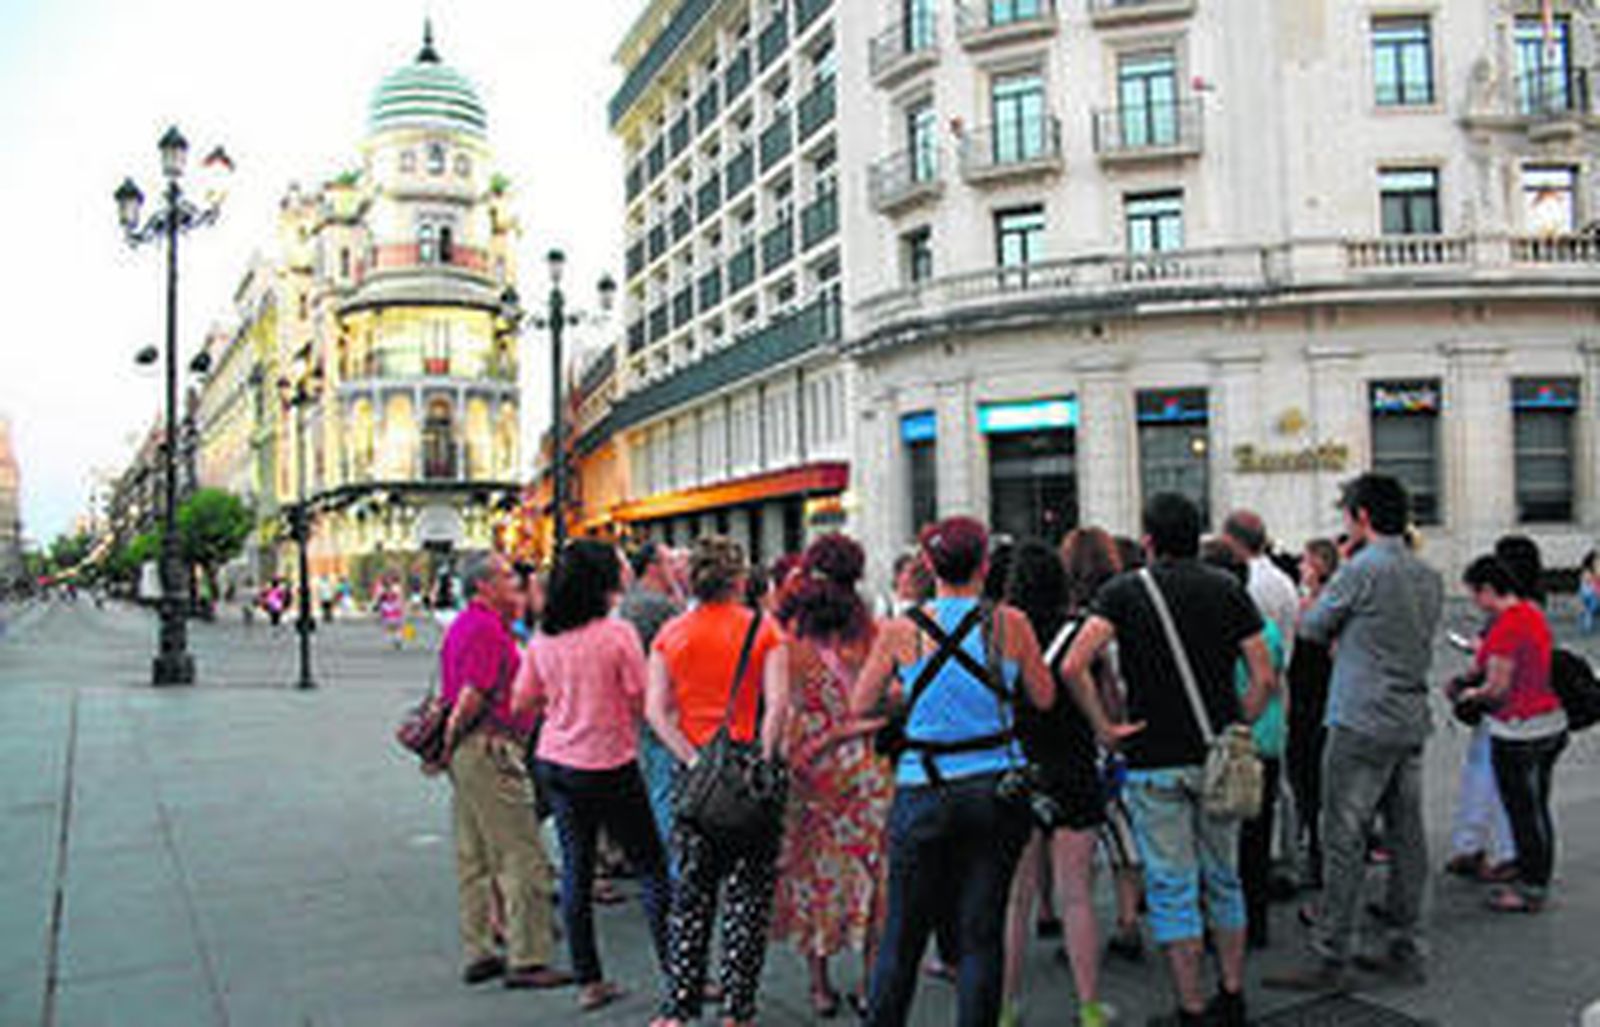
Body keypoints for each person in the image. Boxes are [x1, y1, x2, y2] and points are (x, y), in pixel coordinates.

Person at [1062, 494, 1275, 1027]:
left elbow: (1073, 664)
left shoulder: (1124, 592)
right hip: (1217, 753)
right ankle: (1232, 990)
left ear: (1150, 541)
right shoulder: (1227, 588)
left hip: (1154, 756)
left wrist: (1105, 728)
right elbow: (1266, 675)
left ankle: (1190, 1004)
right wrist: (1240, 723)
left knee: (1172, 885)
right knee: (1224, 877)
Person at [851, 516, 1055, 1027]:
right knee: (980, 934)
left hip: (924, 786)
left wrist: (909, 696)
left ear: (927, 566)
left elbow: (860, 704)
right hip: (996, 788)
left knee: (902, 934)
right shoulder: (1012, 624)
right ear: (986, 565)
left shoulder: (901, 631)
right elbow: (1044, 697)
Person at [1266, 473, 1443, 994]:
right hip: (1409, 717)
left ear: (1362, 517)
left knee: (1343, 835)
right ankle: (1406, 945)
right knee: (1407, 836)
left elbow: (1315, 626)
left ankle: (1332, 952)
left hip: (1360, 716)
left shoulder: (1360, 570)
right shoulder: (1426, 574)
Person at [512, 541, 670, 1010]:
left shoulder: (544, 637)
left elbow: (523, 700)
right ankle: (679, 972)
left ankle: (589, 980)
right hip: (610, 759)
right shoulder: (616, 635)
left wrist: (563, 705)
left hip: (558, 760)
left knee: (577, 869)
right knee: (651, 869)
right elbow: (641, 697)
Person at [647, 536, 790, 1027]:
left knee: (691, 893)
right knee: (748, 897)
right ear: (739, 579)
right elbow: (777, 708)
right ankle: (737, 1010)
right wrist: (764, 759)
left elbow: (656, 710)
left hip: (695, 780)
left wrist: (690, 758)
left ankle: (679, 1006)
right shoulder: (765, 630)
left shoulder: (671, 633)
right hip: (749, 774)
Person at [432, 552, 568, 990]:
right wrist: (450, 741)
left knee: (473, 855)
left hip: (471, 753)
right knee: (520, 852)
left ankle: (479, 949)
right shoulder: (489, 629)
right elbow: (473, 694)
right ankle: (528, 956)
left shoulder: (464, 626)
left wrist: (447, 750)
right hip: (491, 748)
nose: (517, 586)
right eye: (508, 578)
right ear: (483, 587)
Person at [770, 534, 893, 1018]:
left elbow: (781, 714)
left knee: (814, 877)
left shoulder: (790, 645)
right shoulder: (875, 633)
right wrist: (856, 725)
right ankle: (868, 985)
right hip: (866, 771)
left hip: (810, 770)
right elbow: (894, 699)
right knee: (871, 880)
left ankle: (819, 987)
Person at [1000, 533, 1115, 1027]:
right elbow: (1108, 704)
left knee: (1015, 898)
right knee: (1076, 893)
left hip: (1017, 767)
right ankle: (1089, 1005)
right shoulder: (1083, 632)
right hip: (1073, 764)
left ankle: (1003, 1007)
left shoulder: (998, 636)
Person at [1457, 555, 1567, 913]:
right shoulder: (1531, 614)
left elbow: (1497, 688)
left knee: (1522, 811)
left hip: (1519, 729)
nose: (1474, 602)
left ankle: (1530, 887)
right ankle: (1535, 875)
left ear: (1489, 590)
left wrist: (1469, 694)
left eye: (1475, 594)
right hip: (1550, 721)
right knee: (1537, 810)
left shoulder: (1507, 625)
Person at [1202, 539, 1289, 950]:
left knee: (1217, 842)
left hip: (1225, 742)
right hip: (1266, 740)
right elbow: (1276, 679)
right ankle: (1256, 923)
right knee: (1256, 838)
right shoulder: (1265, 629)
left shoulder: (1208, 629)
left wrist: (1238, 720)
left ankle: (1219, 925)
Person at [621, 543, 687, 849]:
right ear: (653, 567)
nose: (675, 567)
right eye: (669, 561)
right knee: (663, 784)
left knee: (651, 781)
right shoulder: (658, 607)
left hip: (640, 704)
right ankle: (668, 860)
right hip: (663, 703)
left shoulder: (630, 602)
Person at [1286, 539, 1339, 889]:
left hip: (1312, 702)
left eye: (1306, 561)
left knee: (1312, 784)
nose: (1301, 567)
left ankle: (1320, 858)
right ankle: (1317, 852)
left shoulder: (1321, 607)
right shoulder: (1316, 603)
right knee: (1312, 784)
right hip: (1317, 700)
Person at [1580, 549, 1599, 635]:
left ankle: (1587, 624)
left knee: (1589, 611)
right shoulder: (1587, 573)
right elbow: (1589, 585)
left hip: (1593, 595)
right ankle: (1587, 626)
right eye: (1597, 561)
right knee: (1590, 609)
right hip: (1590, 596)